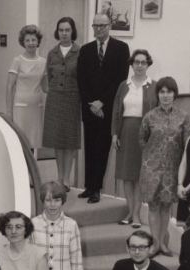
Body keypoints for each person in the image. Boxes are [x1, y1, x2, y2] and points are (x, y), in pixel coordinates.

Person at [76, 12, 130, 204]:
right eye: (95, 25)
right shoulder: (86, 49)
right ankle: (89, 186)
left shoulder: (121, 48)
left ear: (110, 27)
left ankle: (97, 188)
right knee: (89, 147)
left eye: (102, 25)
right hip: (90, 108)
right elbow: (81, 79)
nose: (98, 29)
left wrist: (102, 102)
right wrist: (92, 102)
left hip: (108, 108)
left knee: (102, 149)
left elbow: (120, 79)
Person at [137, 76, 190, 258]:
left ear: (175, 94)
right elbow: (142, 140)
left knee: (166, 207)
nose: (165, 95)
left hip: (172, 170)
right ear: (158, 94)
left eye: (169, 91)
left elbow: (187, 145)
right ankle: (155, 244)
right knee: (153, 207)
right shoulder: (149, 116)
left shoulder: (183, 117)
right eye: (162, 91)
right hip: (151, 169)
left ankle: (163, 245)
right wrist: (151, 159)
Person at [111, 49, 157, 228]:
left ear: (148, 64)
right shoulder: (124, 85)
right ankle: (130, 211)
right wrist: (115, 134)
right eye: (136, 62)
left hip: (146, 133)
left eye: (143, 62)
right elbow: (116, 111)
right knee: (126, 176)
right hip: (125, 132)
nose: (139, 66)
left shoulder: (154, 85)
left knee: (139, 176)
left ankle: (136, 215)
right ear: (132, 64)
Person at [42, 17, 82, 188]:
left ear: (72, 31)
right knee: (58, 140)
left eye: (67, 30)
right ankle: (59, 178)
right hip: (55, 100)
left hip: (73, 99)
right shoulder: (52, 53)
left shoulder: (81, 52)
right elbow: (49, 78)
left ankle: (67, 178)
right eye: (61, 30)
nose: (64, 33)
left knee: (70, 139)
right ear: (57, 32)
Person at [5, 25, 47, 152]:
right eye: (27, 40)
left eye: (33, 40)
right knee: (20, 142)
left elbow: (46, 87)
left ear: (38, 41)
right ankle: (22, 172)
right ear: (23, 42)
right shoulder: (17, 61)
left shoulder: (43, 62)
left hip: (36, 108)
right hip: (20, 109)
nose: (30, 43)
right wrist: (9, 112)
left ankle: (31, 172)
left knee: (32, 144)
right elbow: (9, 87)